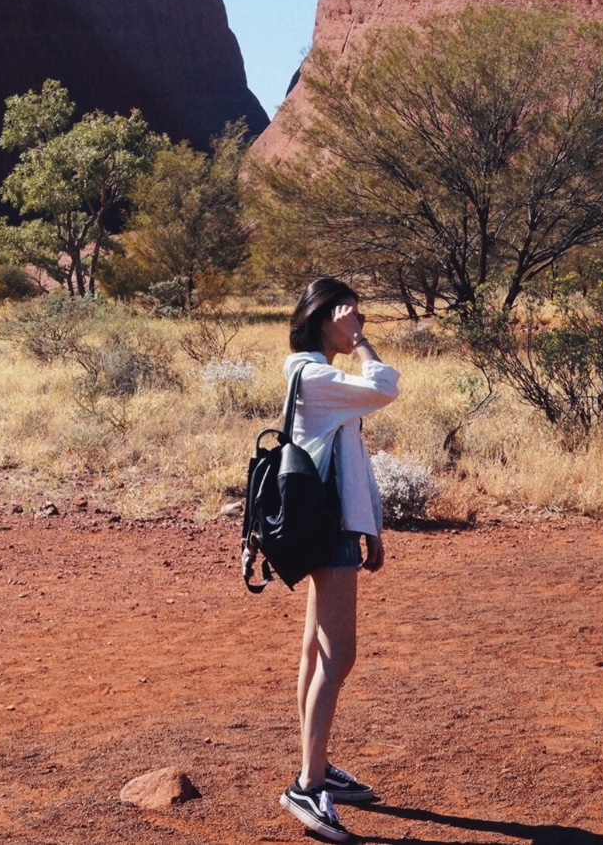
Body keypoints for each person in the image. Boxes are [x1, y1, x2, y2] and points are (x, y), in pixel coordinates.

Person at [277, 277, 399, 843]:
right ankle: (307, 782)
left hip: (333, 524)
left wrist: (369, 524)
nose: (358, 326)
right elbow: (384, 386)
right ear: (324, 318)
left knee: (314, 652)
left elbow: (350, 454)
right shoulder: (317, 377)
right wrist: (363, 346)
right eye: (348, 317)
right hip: (329, 533)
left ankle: (316, 767)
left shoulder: (313, 376)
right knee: (339, 655)